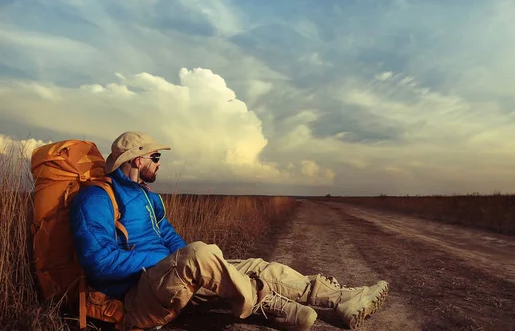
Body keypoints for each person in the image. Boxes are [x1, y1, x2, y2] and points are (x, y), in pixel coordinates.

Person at [70, 131, 389, 330]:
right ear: (137, 160)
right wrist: (168, 260)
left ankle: (342, 299)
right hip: (135, 299)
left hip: (169, 280)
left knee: (258, 265)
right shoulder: (97, 197)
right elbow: (98, 262)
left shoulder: (149, 197)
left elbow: (173, 241)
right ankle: (263, 301)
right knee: (200, 254)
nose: (159, 163)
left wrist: (183, 260)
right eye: (155, 157)